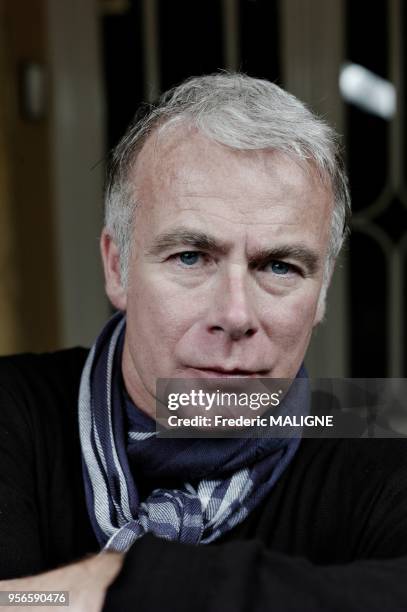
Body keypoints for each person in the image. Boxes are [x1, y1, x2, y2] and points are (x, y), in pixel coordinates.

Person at [0, 73, 407, 612]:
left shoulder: (377, 424)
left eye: (280, 266)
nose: (235, 315)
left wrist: (118, 587)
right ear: (117, 267)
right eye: (190, 257)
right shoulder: (12, 408)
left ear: (323, 292)